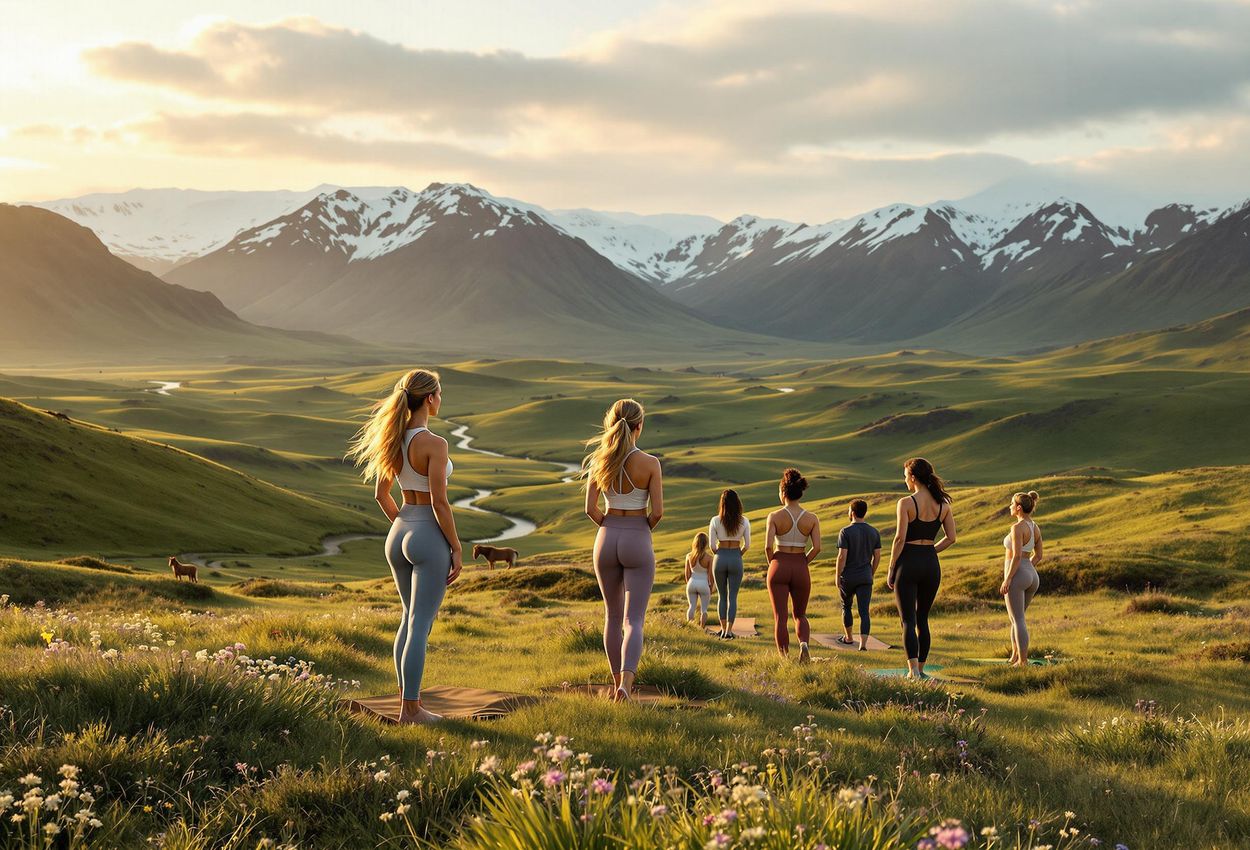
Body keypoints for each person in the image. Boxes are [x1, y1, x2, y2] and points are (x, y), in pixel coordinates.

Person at [347, 369, 461, 724]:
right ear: (430, 399)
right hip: (427, 532)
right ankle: (411, 710)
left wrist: (405, 524)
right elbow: (440, 503)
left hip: (398, 531)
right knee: (420, 625)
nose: (440, 399)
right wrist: (455, 547)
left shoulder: (391, 438)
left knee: (407, 619)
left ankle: (404, 701)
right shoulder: (435, 444)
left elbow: (381, 495)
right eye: (439, 394)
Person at [581, 398, 663, 702]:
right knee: (634, 620)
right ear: (639, 427)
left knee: (612, 617)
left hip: (606, 536)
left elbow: (590, 509)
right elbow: (658, 512)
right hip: (637, 536)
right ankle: (626, 686)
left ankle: (615, 679)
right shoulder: (650, 463)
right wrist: (639, 530)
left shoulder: (598, 461)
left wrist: (610, 525)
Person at [886, 457, 956, 679]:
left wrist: (891, 567)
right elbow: (951, 538)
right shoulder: (943, 505)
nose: (904, 479)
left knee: (908, 619)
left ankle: (913, 671)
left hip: (908, 562)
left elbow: (899, 539)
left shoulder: (906, 503)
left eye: (905, 475)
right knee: (922, 618)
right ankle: (922, 670)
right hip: (930, 564)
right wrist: (930, 552)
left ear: (913, 477)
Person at [764, 468, 820, 661]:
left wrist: (773, 562)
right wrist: (804, 561)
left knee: (781, 616)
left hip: (779, 563)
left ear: (783, 492)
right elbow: (817, 547)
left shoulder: (774, 516)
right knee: (800, 614)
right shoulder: (811, 518)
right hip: (800, 565)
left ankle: (784, 658)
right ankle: (803, 644)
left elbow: (767, 547)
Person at [1002, 490, 1043, 666]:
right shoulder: (1034, 526)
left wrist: (1008, 579)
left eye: (1012, 504)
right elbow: (1039, 555)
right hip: (1032, 574)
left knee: (1017, 619)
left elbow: (1017, 556)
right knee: (1016, 618)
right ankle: (1015, 656)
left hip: (1018, 573)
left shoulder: (1017, 527)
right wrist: (1028, 570)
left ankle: (1023, 661)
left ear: (1018, 508)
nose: (1010, 506)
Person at [835, 499, 881, 651]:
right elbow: (877, 556)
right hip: (865, 577)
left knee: (846, 606)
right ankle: (863, 644)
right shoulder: (874, 532)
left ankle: (848, 638)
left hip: (848, 577)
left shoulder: (845, 532)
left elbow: (842, 556)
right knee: (864, 611)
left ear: (852, 513)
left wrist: (837, 576)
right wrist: (871, 573)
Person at [709, 489, 750, 639]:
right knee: (733, 596)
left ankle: (722, 628)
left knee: (722, 595)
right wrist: (738, 554)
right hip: (735, 557)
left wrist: (720, 554)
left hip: (720, 556)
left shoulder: (715, 520)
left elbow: (712, 546)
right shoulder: (744, 521)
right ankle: (729, 631)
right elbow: (747, 545)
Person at [684, 532, 714, 628]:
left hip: (692, 583)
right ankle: (701, 628)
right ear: (706, 544)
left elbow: (687, 575)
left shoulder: (689, 556)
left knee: (691, 607)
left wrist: (689, 584)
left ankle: (691, 627)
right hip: (704, 584)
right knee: (704, 610)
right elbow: (711, 576)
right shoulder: (709, 558)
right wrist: (711, 587)